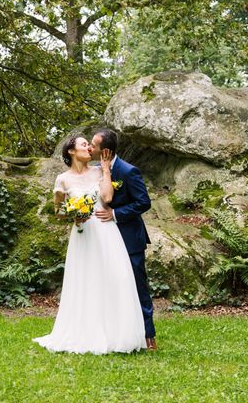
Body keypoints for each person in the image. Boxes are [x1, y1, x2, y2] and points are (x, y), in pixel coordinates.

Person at [33, 135, 147, 354]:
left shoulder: (98, 171)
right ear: (71, 152)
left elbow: (107, 197)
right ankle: (84, 330)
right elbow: (58, 211)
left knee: (116, 277)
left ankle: (117, 333)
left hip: (105, 231)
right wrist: (73, 214)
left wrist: (105, 170)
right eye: (84, 144)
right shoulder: (62, 179)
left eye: (89, 144)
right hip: (83, 235)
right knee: (86, 280)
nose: (89, 148)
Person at [90, 129, 157, 350]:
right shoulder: (95, 172)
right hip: (105, 240)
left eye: (94, 145)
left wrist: (115, 214)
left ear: (105, 151)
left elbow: (143, 202)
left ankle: (148, 335)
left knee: (138, 287)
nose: (90, 148)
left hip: (129, 239)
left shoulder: (128, 171)